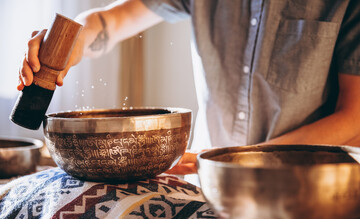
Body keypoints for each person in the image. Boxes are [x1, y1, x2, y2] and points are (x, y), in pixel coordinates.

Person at [18, 0, 360, 175]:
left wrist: (230, 162)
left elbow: (354, 116)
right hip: (212, 180)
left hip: (313, 186)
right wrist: (75, 35)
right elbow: (111, 20)